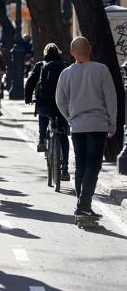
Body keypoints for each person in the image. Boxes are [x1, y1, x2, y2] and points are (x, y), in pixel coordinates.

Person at [56, 37, 117, 219]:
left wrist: (70, 117)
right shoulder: (101, 70)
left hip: (77, 126)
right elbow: (111, 99)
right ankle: (84, 205)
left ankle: (82, 205)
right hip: (98, 124)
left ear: (71, 52)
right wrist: (112, 123)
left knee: (81, 166)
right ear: (90, 49)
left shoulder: (65, 74)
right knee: (93, 165)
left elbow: (60, 100)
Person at [24, 43, 71, 179]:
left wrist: (28, 98)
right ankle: (65, 169)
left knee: (43, 113)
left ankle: (41, 139)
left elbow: (30, 82)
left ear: (45, 53)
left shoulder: (40, 65)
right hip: (62, 106)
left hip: (45, 104)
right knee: (63, 136)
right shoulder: (65, 66)